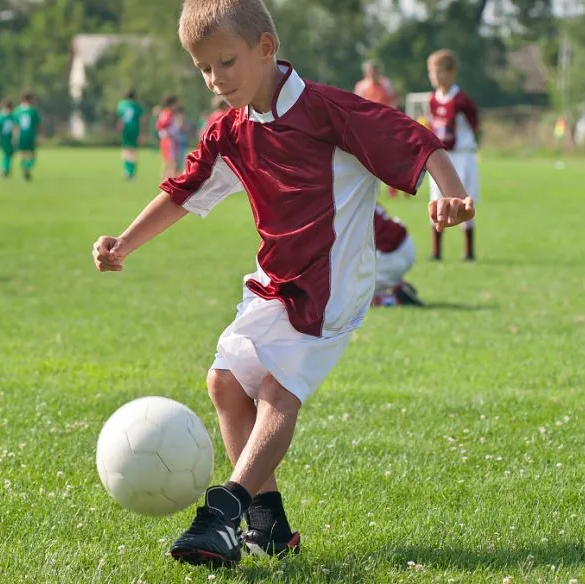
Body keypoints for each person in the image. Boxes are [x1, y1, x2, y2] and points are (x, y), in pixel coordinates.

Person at [92, 0, 474, 567]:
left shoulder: (329, 110)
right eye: (204, 69)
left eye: (226, 62)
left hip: (330, 284)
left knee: (275, 390)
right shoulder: (230, 128)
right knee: (224, 384)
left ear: (266, 48)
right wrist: (124, 241)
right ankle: (269, 528)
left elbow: (414, 140)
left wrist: (448, 191)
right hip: (275, 277)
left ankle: (223, 511)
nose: (216, 79)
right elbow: (183, 191)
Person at [427, 49, 480, 261]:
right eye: (431, 72)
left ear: (451, 73)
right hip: (441, 156)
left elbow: (474, 126)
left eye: (439, 71)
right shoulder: (432, 99)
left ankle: (468, 252)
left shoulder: (462, 100)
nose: (435, 76)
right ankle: (436, 251)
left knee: (464, 200)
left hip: (462, 156)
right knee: (436, 198)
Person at [354, 61, 401, 199]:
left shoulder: (386, 84)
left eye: (375, 71)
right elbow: (355, 105)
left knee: (390, 157)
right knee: (370, 159)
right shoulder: (361, 87)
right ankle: (370, 188)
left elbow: (394, 101)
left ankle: (393, 188)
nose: (373, 74)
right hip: (368, 128)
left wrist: (391, 119)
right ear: (366, 73)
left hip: (385, 126)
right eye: (371, 71)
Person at [373, 204, 423, 307]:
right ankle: (396, 284)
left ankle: (396, 298)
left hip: (392, 254)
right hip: (403, 245)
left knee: (355, 297)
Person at [116, 90, 144, 180]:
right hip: (135, 130)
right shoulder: (137, 106)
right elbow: (142, 120)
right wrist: (142, 133)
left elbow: (120, 119)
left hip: (126, 130)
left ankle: (126, 171)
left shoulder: (121, 104)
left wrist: (119, 130)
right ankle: (131, 172)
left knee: (126, 150)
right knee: (133, 151)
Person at [14, 91, 41, 181]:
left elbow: (15, 126)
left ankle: (24, 170)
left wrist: (14, 137)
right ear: (30, 99)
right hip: (30, 135)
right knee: (33, 155)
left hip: (20, 135)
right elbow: (38, 125)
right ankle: (27, 167)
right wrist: (40, 136)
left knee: (22, 154)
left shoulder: (17, 110)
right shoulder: (32, 111)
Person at [156, 95, 180, 180]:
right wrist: (169, 134)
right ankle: (167, 183)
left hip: (168, 140)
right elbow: (162, 127)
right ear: (171, 104)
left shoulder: (167, 113)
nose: (177, 106)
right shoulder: (167, 114)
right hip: (168, 141)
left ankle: (166, 182)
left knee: (167, 162)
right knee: (170, 163)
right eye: (176, 104)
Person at [0, 100, 16, 179]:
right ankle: (4, 170)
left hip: (2, 138)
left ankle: (5, 169)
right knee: (7, 155)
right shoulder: (12, 116)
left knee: (7, 154)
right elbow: (15, 128)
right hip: (9, 138)